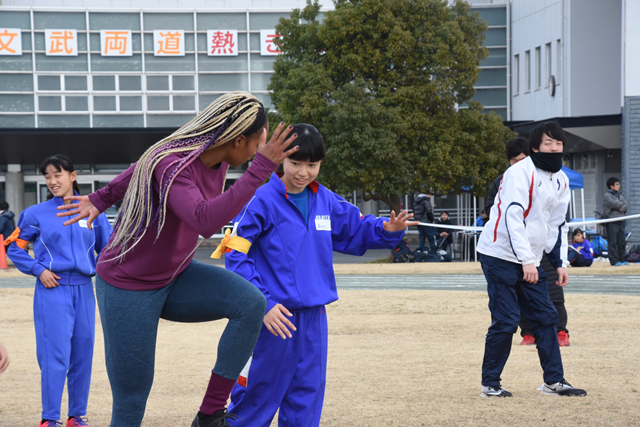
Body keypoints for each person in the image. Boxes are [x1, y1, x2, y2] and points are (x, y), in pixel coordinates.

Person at [57, 92, 300, 427]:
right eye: (261, 139)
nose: (262, 147)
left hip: (175, 277)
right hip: (128, 287)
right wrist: (262, 167)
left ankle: (210, 414)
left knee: (251, 304)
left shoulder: (216, 159)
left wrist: (101, 197)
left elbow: (146, 167)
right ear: (239, 138)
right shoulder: (175, 163)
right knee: (132, 398)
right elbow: (204, 219)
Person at [222, 124, 416, 426]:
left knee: (306, 401)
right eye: (296, 163)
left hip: (315, 321)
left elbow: (357, 227)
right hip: (273, 319)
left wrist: (387, 229)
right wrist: (264, 304)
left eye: (312, 165)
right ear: (281, 160)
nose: (303, 172)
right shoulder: (258, 200)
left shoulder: (326, 200)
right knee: (254, 401)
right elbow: (235, 254)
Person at [476, 122, 587, 398]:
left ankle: (554, 381)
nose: (554, 148)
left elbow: (558, 224)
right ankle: (490, 384)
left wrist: (559, 262)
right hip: (499, 254)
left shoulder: (561, 179)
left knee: (546, 316)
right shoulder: (518, 173)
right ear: (535, 147)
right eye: (548, 143)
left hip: (531, 257)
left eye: (558, 144)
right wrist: (526, 260)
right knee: (507, 318)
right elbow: (512, 217)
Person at [5, 155, 112, 427]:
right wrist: (38, 269)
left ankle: (77, 416)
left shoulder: (93, 210)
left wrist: (104, 271)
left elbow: (109, 249)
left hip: (85, 290)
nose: (52, 181)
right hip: (52, 290)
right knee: (55, 355)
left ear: (73, 176)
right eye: (48, 177)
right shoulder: (35, 214)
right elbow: (14, 248)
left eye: (58, 175)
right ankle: (49, 418)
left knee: (83, 353)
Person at [519, 257, 571, 347]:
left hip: (547, 254)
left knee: (555, 295)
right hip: (523, 256)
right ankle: (528, 333)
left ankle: (560, 331)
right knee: (524, 296)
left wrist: (562, 264)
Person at [485, 136, 529, 219]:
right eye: (515, 161)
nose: (519, 164)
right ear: (509, 160)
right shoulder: (499, 182)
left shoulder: (539, 179)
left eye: (523, 160)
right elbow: (489, 209)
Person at [603, 177, 628, 266]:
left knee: (622, 242)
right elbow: (615, 204)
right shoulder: (607, 196)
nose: (619, 186)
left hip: (621, 221)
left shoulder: (619, 195)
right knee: (612, 242)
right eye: (617, 184)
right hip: (612, 221)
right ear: (611, 186)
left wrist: (619, 208)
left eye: (619, 184)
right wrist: (620, 206)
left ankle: (621, 259)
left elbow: (626, 205)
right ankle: (614, 261)